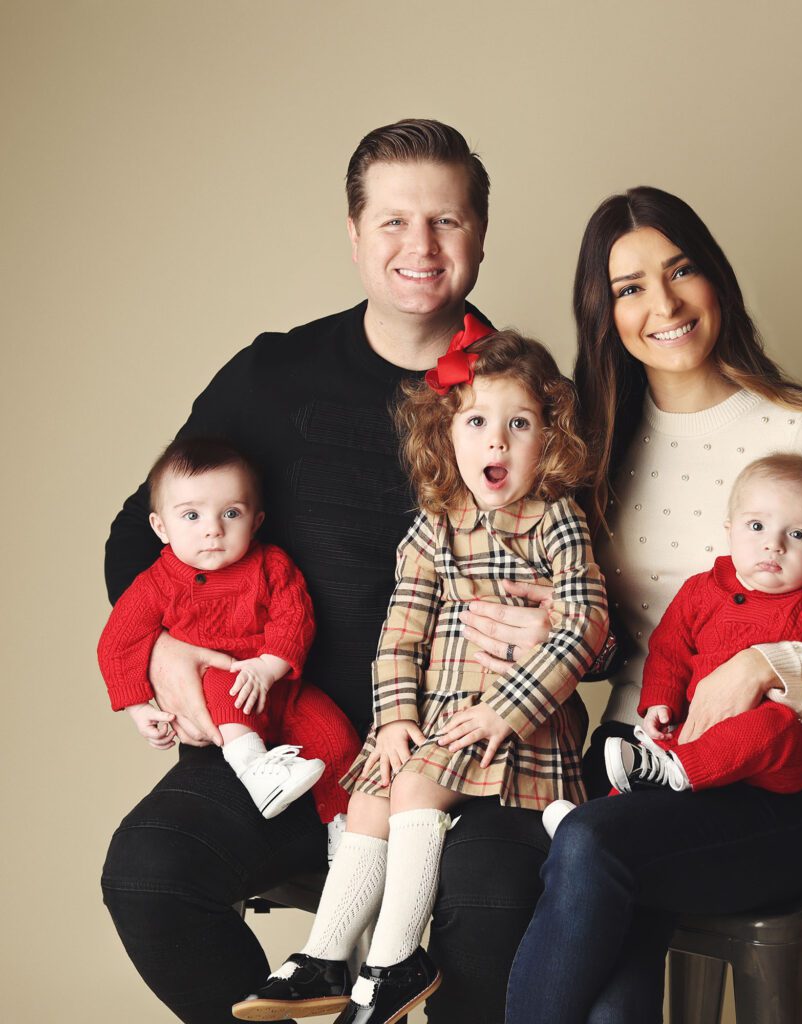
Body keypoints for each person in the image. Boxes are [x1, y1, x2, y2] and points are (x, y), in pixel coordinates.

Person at [101, 119, 561, 1024]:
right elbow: (136, 531)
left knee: (501, 908)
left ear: (480, 236)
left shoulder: (528, 397)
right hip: (293, 739)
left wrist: (560, 629)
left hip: (473, 756)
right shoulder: (273, 376)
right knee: (151, 873)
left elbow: (603, 592)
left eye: (446, 222)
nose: (419, 248)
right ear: (353, 235)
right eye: (392, 222)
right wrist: (159, 655)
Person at [504, 187, 802, 1024]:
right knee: (602, 966)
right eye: (629, 288)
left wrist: (762, 665)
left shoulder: (797, 432)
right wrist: (556, 630)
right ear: (604, 313)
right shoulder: (599, 444)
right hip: (641, 755)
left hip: (773, 787)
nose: (662, 304)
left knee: (589, 846)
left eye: (681, 270)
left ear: (716, 280)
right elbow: (618, 633)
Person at [234, 326, 607, 1024]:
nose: (495, 442)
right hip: (436, 725)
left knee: (407, 784)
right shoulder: (434, 528)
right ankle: (327, 955)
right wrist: (397, 717)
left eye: (518, 424)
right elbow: (400, 632)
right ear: (447, 436)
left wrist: (508, 711)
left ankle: (398, 957)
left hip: (512, 733)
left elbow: (585, 625)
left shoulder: (558, 522)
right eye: (476, 422)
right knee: (371, 792)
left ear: (548, 440)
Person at [599, 453, 802, 801]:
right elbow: (669, 649)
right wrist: (660, 700)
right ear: (729, 530)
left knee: (771, 724)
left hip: (780, 755)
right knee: (661, 745)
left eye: (797, 534)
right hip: (700, 724)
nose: (773, 545)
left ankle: (677, 770)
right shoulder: (701, 591)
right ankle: (595, 814)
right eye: (757, 526)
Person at [98, 438, 361, 852]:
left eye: (231, 513)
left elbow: (295, 615)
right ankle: (257, 771)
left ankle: (345, 832)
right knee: (225, 684)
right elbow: (118, 642)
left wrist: (270, 666)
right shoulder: (156, 583)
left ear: (256, 521)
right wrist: (137, 707)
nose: (212, 529)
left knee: (337, 737)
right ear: (160, 527)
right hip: (221, 693)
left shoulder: (270, 564)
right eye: (191, 515)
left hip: (278, 687)